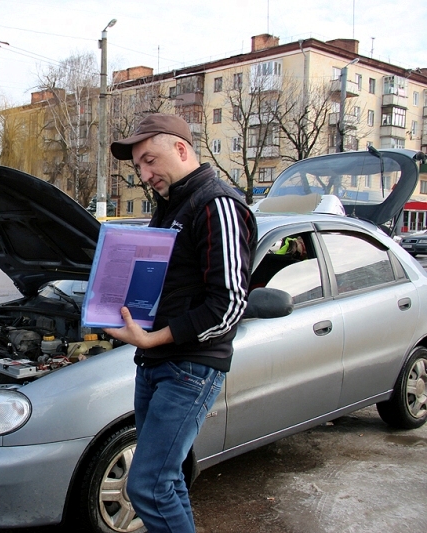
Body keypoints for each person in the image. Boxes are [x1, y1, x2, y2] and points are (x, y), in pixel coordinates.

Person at [103, 114, 256, 533]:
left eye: (150, 160)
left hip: (189, 366)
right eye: (138, 167)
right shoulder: (171, 207)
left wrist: (155, 339)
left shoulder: (216, 204)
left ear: (182, 150)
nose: (144, 174)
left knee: (148, 486)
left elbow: (228, 305)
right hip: (156, 363)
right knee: (165, 482)